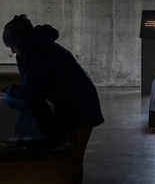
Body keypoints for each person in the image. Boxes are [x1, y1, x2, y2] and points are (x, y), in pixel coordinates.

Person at [1, 14, 104, 184]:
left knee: (71, 161)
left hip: (78, 111)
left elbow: (33, 90)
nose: (12, 51)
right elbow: (34, 85)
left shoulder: (37, 51)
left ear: (19, 41)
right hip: (79, 107)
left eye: (12, 46)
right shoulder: (40, 47)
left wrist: (12, 90)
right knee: (72, 159)